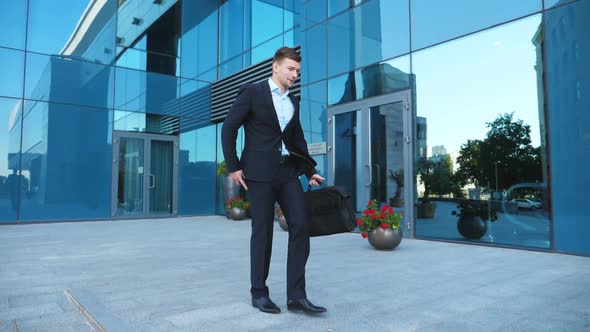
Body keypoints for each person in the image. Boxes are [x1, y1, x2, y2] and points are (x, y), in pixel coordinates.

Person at [222, 47, 326, 315]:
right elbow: (229, 127)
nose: (294, 75)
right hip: (258, 174)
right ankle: (259, 293)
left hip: (288, 172)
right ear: (276, 67)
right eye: (291, 69)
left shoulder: (294, 101)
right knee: (263, 233)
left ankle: (296, 296)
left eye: (298, 71)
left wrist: (308, 170)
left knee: (301, 225)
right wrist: (234, 166)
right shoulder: (252, 92)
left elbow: (296, 139)